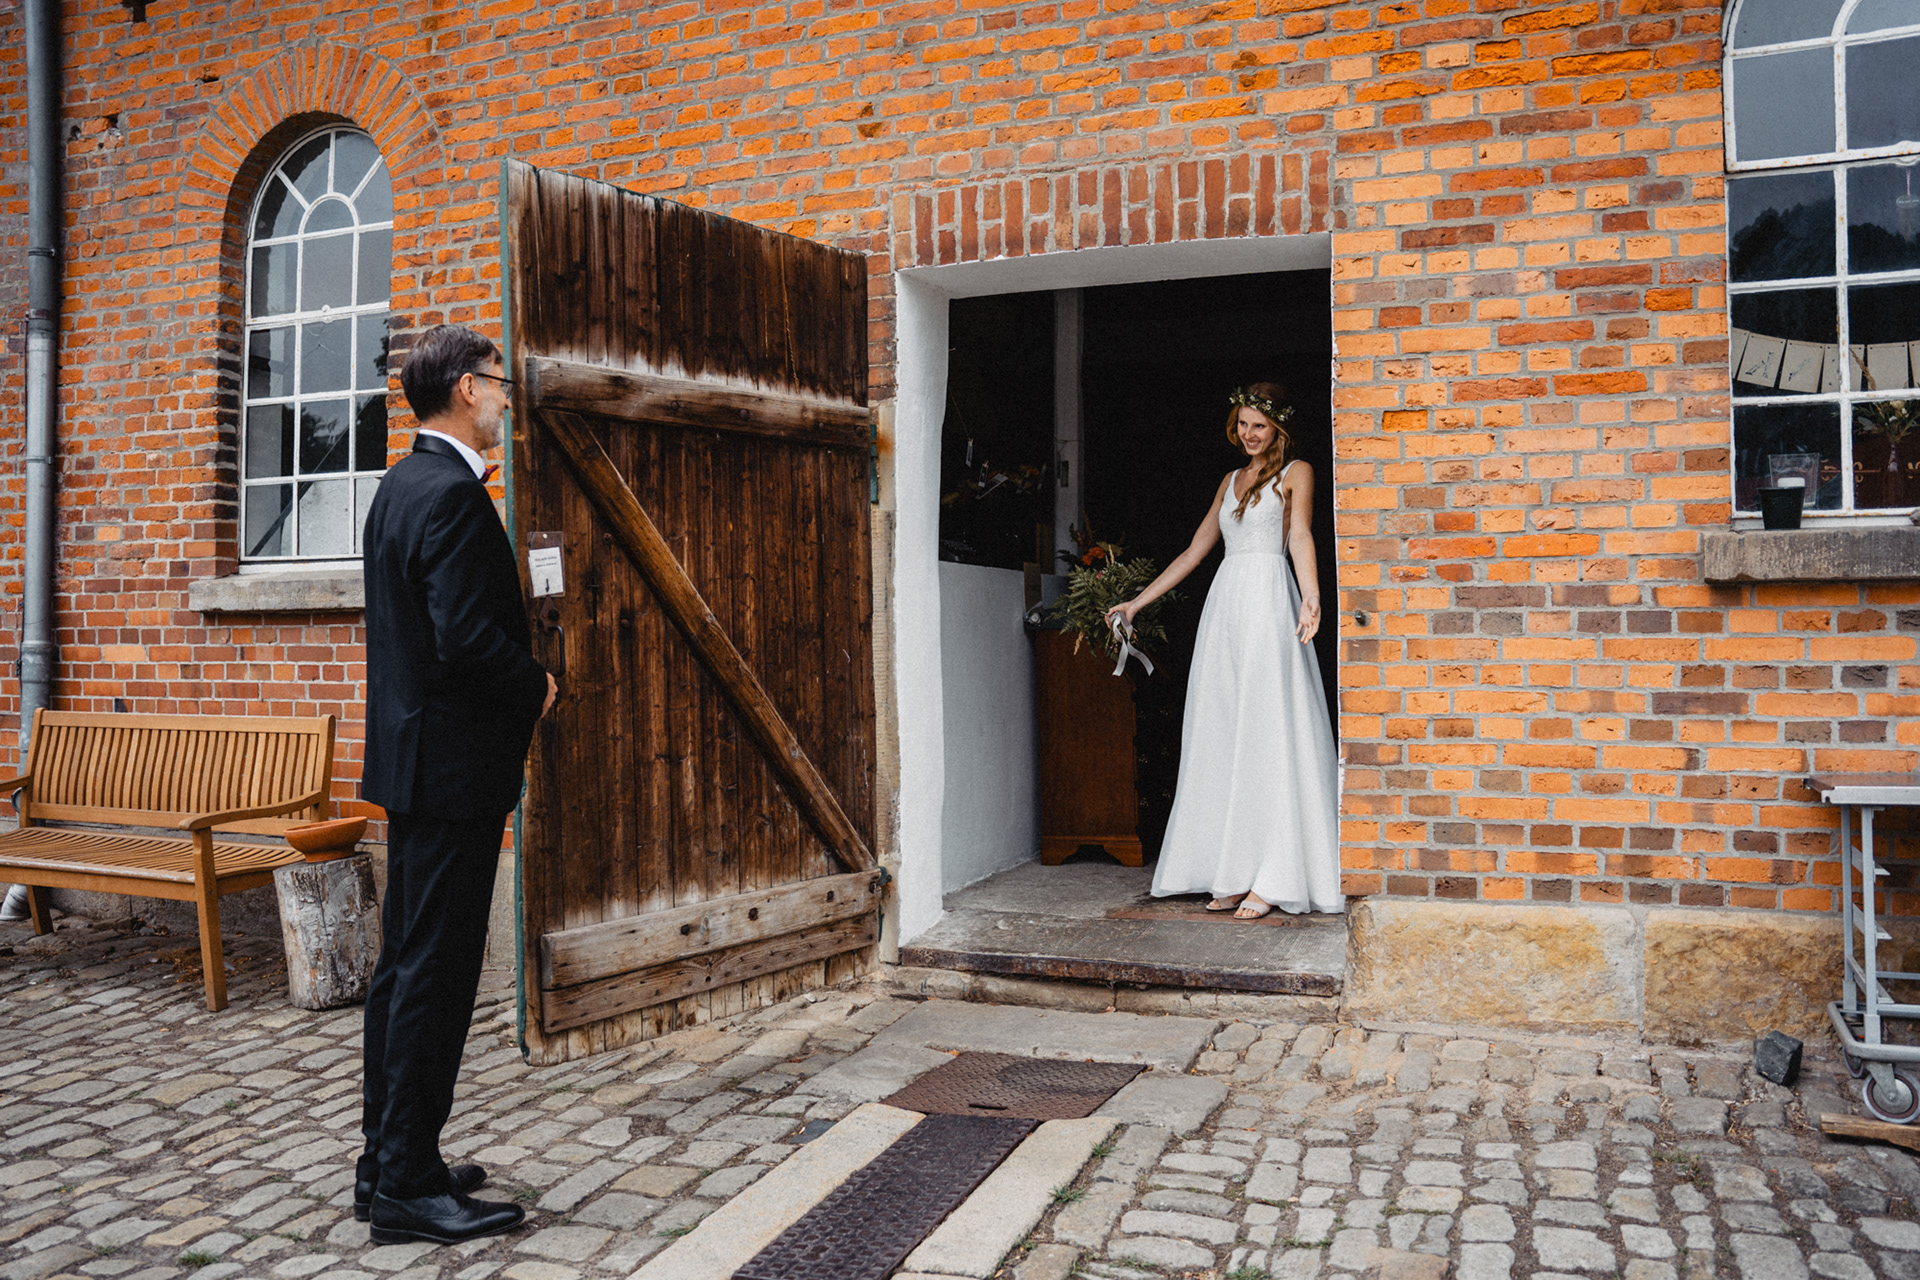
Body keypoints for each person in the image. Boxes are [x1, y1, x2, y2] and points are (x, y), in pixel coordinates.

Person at [356, 324, 557, 1245]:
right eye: (498, 383)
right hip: (450, 775)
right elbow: (466, 640)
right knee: (434, 978)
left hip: (415, 769)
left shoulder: (401, 485)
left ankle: (389, 1162)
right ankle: (405, 1187)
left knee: (404, 969)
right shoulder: (451, 496)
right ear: (468, 389)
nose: (507, 398)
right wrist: (535, 683)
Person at [1106, 382, 1342, 919]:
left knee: (1267, 732)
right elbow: (1195, 550)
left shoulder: (1297, 471)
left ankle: (1273, 876)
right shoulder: (1229, 481)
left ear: (1277, 428)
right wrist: (1136, 603)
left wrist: (1311, 597)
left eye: (1259, 425)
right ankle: (1231, 870)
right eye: (1242, 424)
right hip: (1226, 609)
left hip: (1269, 602)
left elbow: (1301, 536)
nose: (1249, 434)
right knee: (1225, 732)